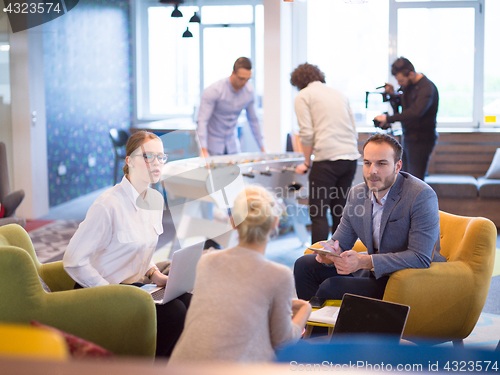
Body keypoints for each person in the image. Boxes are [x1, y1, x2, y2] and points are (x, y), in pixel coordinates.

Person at [63, 131, 189, 358]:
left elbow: (139, 245)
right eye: (149, 156)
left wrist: (154, 273)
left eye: (161, 157)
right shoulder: (107, 205)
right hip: (97, 293)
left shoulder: (155, 200)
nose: (157, 163)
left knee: (188, 301)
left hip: (132, 287)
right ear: (129, 160)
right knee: (174, 313)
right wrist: (109, 293)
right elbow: (72, 260)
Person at [293, 133, 446, 302]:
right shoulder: (357, 194)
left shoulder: (421, 195)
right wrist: (330, 251)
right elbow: (340, 241)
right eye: (367, 163)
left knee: (331, 287)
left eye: (381, 164)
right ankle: (312, 326)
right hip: (373, 273)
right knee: (304, 266)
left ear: (397, 166)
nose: (372, 171)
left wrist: (365, 261)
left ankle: (325, 328)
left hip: (405, 278)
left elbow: (420, 257)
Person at [169, 186, 312, 363]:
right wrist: (306, 309)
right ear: (276, 222)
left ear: (233, 222)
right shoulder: (279, 275)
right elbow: (282, 341)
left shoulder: (207, 261)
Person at [290, 63, 360, 244]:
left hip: (327, 160)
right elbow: (354, 129)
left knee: (318, 213)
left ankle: (317, 263)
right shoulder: (339, 94)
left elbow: (306, 133)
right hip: (350, 158)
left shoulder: (303, 95)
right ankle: (340, 259)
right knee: (340, 211)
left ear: (298, 82)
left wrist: (306, 162)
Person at [374, 57, 439, 180]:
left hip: (422, 139)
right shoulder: (407, 86)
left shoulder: (427, 87)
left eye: (401, 81)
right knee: (404, 178)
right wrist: (393, 95)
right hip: (409, 137)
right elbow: (402, 109)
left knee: (415, 181)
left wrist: (388, 119)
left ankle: (417, 200)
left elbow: (416, 112)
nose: (399, 84)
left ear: (410, 73)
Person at [197, 57, 266, 157]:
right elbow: (202, 121)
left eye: (247, 79)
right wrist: (203, 149)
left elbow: (254, 121)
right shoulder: (214, 90)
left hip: (232, 144)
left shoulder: (249, 92)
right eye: (241, 79)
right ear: (233, 73)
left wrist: (263, 148)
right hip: (212, 145)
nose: (244, 83)